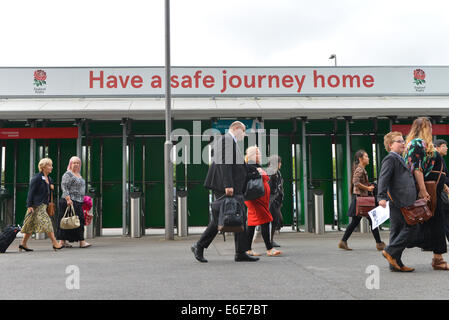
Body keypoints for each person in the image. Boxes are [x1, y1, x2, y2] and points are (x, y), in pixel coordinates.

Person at [191, 121, 257, 263]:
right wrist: (228, 184)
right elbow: (224, 162)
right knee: (221, 218)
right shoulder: (226, 140)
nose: (244, 135)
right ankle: (199, 245)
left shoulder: (229, 141)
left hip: (231, 186)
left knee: (237, 216)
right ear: (236, 128)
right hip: (225, 186)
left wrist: (253, 170)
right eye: (244, 131)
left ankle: (240, 252)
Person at [403, 117, 449, 270]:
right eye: (429, 127)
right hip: (428, 190)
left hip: (433, 189)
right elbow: (417, 168)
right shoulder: (417, 143)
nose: (431, 130)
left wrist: (444, 187)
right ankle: (393, 251)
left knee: (435, 222)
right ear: (423, 128)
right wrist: (423, 190)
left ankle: (438, 257)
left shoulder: (422, 144)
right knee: (428, 222)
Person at [377, 131, 417, 272]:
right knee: (412, 228)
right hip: (399, 200)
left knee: (396, 231)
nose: (403, 143)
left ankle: (395, 263)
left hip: (402, 199)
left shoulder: (399, 157)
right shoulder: (390, 159)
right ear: (390, 145)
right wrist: (381, 197)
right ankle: (390, 251)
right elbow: (383, 178)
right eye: (399, 141)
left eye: (403, 141)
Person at [338, 150, 386, 251]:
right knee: (372, 220)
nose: (368, 158)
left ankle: (343, 241)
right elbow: (355, 182)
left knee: (357, 222)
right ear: (360, 159)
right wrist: (368, 188)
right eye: (366, 156)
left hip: (360, 198)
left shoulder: (361, 168)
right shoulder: (360, 169)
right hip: (361, 199)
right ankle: (379, 243)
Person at [19, 158, 63, 252]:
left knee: (29, 225)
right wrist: (29, 205)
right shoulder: (37, 178)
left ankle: (23, 244)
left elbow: (46, 191)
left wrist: (51, 188)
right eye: (49, 165)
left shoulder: (49, 179)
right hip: (36, 205)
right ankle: (55, 243)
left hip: (44, 205)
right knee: (47, 222)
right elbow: (31, 192)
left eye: (51, 165)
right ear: (43, 167)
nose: (51, 167)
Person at [245, 146, 282, 257]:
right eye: (257, 153)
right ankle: (269, 248)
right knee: (265, 220)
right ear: (252, 155)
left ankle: (248, 249)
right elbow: (250, 178)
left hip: (257, 199)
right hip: (256, 199)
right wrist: (259, 172)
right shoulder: (250, 166)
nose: (260, 156)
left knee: (251, 223)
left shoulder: (254, 166)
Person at [57, 156, 91, 248]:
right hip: (69, 201)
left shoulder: (79, 174)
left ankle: (64, 241)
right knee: (67, 221)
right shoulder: (68, 174)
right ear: (70, 164)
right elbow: (64, 187)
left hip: (78, 201)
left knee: (75, 221)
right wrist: (68, 199)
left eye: (78, 163)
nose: (76, 164)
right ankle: (81, 241)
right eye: (74, 163)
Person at [266, 155, 284, 248]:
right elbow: (270, 188)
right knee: (273, 220)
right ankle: (269, 241)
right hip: (271, 200)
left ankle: (270, 240)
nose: (280, 164)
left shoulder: (278, 173)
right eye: (279, 162)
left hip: (277, 200)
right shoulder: (270, 172)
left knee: (276, 220)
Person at [434, 139, 449, 243]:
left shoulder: (440, 159)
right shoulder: (437, 159)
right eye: (444, 146)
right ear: (437, 147)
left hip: (442, 192)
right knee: (444, 217)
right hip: (440, 193)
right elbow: (440, 177)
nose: (446, 148)